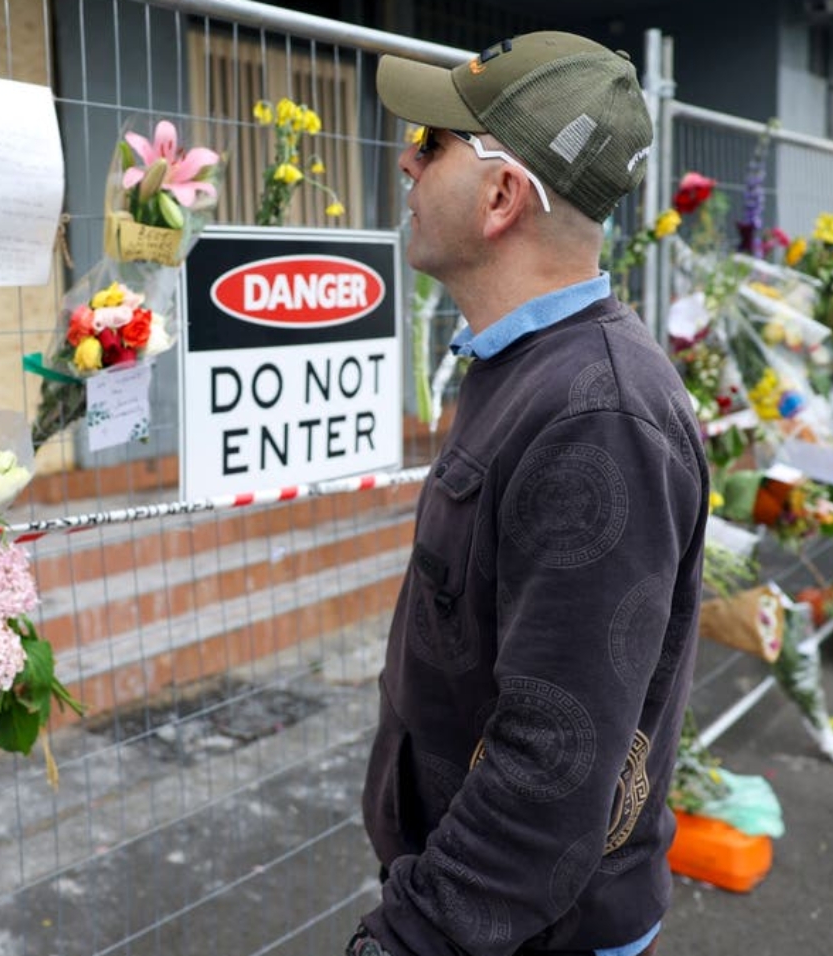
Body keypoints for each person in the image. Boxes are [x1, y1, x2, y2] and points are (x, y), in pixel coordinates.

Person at [347, 32, 708, 956]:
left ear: (503, 195)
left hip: (535, 935)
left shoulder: (597, 415)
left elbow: (553, 764)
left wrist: (408, 938)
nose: (408, 160)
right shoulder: (537, 370)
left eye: (434, 142)